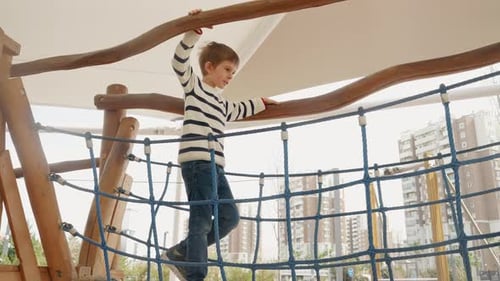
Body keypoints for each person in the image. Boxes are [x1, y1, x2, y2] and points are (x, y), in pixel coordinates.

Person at [163, 9, 278, 281]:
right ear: (209, 67)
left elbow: (239, 109)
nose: (231, 76)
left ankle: (180, 253)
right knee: (201, 220)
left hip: (216, 168)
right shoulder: (195, 88)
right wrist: (194, 30)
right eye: (227, 69)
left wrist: (261, 103)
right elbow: (179, 62)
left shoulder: (222, 102)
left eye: (234, 72)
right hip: (197, 164)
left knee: (230, 217)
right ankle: (196, 274)